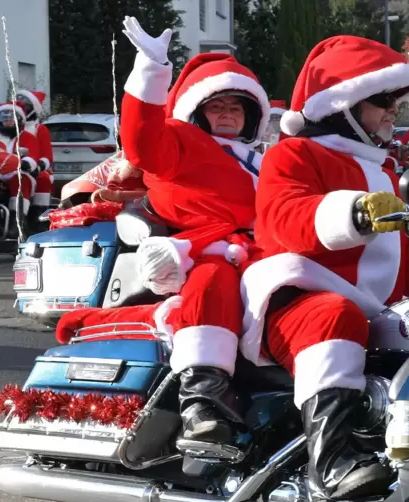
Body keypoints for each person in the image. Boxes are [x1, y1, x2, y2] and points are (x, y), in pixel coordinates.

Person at [240, 35, 409, 500]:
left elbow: (399, 254)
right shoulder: (292, 154)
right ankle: (330, 461)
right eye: (382, 101)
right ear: (344, 106)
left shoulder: (378, 169)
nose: (391, 112)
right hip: (293, 299)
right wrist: (352, 214)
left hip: (367, 306)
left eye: (395, 101)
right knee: (332, 316)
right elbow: (282, 220)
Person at [55, 16, 271, 447]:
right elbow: (141, 139)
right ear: (197, 110)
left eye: (236, 107)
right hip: (203, 253)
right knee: (215, 281)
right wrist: (152, 69)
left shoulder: (263, 159)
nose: (228, 114)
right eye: (217, 105)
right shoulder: (180, 143)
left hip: (264, 253)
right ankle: (203, 403)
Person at [0, 102, 41, 237]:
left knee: (20, 180)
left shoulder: (27, 137)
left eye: (11, 119)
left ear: (19, 121)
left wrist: (26, 162)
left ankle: (17, 222)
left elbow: (33, 155)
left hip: (16, 172)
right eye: (4, 119)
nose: (8, 122)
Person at [16, 89, 55, 220]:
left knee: (43, 178)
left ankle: (38, 215)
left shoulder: (40, 129)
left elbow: (47, 156)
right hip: (13, 166)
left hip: (35, 168)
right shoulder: (10, 127)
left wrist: (38, 167)